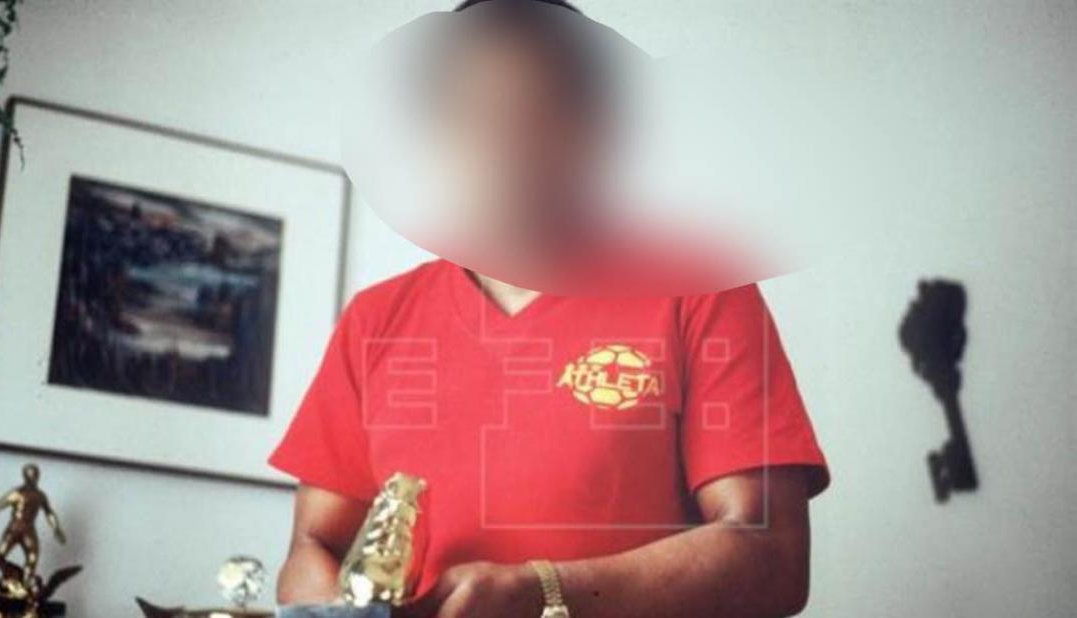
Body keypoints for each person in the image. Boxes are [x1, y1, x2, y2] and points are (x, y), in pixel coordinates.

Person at [271, 1, 829, 616]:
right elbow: (314, 545)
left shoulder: (702, 289)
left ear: (601, 127)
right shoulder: (375, 320)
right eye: (473, 110)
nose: (506, 143)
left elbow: (772, 553)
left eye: (538, 109)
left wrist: (544, 591)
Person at [0, 464, 67, 589]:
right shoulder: (17, 493)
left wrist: (56, 528)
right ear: (25, 477)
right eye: (31, 475)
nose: (34, 478)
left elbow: (49, 512)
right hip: (14, 528)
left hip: (29, 530)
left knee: (32, 557)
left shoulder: (40, 495)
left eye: (35, 475)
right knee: (0, 555)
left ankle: (25, 586)